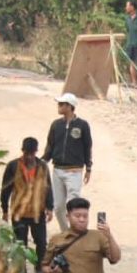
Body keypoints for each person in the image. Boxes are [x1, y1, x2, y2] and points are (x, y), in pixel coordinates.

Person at [0, 137, 53, 273]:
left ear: (36, 152)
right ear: (22, 151)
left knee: (41, 242)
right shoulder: (13, 166)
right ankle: (21, 271)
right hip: (19, 212)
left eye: (32, 153)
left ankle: (39, 269)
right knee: (20, 243)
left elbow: (48, 188)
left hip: (37, 211)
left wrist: (50, 207)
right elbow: (6, 189)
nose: (29, 156)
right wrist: (4, 209)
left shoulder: (43, 166)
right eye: (27, 153)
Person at [42, 93, 93, 231]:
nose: (58, 106)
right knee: (58, 207)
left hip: (74, 171)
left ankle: (75, 232)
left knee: (73, 204)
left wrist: (88, 167)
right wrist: (42, 161)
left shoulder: (82, 125)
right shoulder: (56, 125)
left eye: (61, 104)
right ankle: (66, 232)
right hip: (58, 170)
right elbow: (50, 146)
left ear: (70, 107)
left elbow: (87, 146)